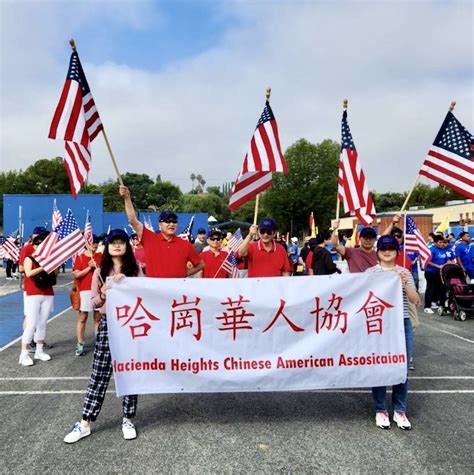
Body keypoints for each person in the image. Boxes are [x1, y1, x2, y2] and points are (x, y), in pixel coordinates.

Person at [64, 229, 143, 444]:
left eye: (121, 242)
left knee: (129, 373)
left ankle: (128, 418)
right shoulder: (100, 270)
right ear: (107, 246)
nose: (117, 245)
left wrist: (128, 283)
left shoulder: (135, 270)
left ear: (127, 246)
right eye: (113, 242)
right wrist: (104, 292)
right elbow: (95, 302)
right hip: (109, 324)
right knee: (99, 373)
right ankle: (85, 422)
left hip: (130, 325)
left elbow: (144, 294)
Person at [366, 235, 420, 430]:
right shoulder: (370, 272)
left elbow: (416, 300)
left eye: (391, 248)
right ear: (378, 252)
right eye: (383, 249)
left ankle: (400, 410)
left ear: (397, 251)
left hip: (401, 323)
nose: (387, 252)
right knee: (379, 365)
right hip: (379, 324)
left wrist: (404, 283)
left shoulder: (404, 271)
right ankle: (380, 409)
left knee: (402, 368)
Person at [119, 185, 203, 278]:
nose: (171, 224)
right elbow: (132, 220)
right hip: (154, 290)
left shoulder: (185, 245)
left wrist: (184, 274)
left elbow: (200, 264)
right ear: (160, 225)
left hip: (176, 290)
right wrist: (127, 198)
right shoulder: (149, 238)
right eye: (167, 221)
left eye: (174, 221)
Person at [18, 231, 57, 366]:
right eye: (37, 244)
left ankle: (39, 350)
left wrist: (53, 264)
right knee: (31, 323)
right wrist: (42, 267)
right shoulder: (29, 258)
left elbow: (55, 274)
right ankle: (24, 353)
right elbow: (28, 273)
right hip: (33, 293)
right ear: (33, 245)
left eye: (42, 244)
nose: (39, 246)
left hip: (47, 292)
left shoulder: (49, 258)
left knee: (42, 323)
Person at [72, 235, 102, 356]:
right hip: (85, 291)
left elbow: (106, 270)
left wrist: (98, 266)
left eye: (96, 242)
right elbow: (77, 275)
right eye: (93, 242)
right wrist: (89, 267)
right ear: (87, 244)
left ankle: (99, 343)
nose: (95, 244)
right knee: (83, 317)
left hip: (99, 290)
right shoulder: (80, 258)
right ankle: (80, 344)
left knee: (98, 318)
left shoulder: (101, 256)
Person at [423, 235, 452, 313]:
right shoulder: (431, 250)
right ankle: (427, 306)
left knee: (441, 288)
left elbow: (446, 260)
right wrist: (438, 266)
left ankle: (442, 305)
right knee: (430, 288)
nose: (442, 244)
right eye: (440, 242)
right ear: (435, 242)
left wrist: (448, 262)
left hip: (441, 272)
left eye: (443, 242)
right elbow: (427, 261)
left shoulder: (444, 250)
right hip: (431, 272)